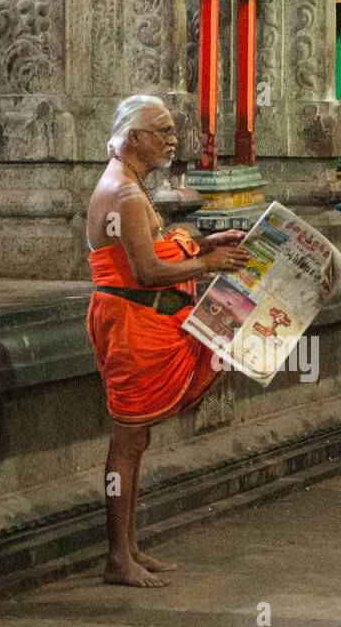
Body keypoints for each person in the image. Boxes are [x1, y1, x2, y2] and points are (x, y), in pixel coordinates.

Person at [86, 95, 249, 587]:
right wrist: (207, 266)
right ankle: (117, 557)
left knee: (138, 438)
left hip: (140, 321)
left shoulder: (132, 186)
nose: (173, 140)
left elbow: (149, 250)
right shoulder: (126, 194)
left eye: (173, 130)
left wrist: (204, 245)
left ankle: (130, 546)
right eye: (162, 131)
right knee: (129, 438)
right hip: (133, 324)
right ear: (134, 136)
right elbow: (147, 270)